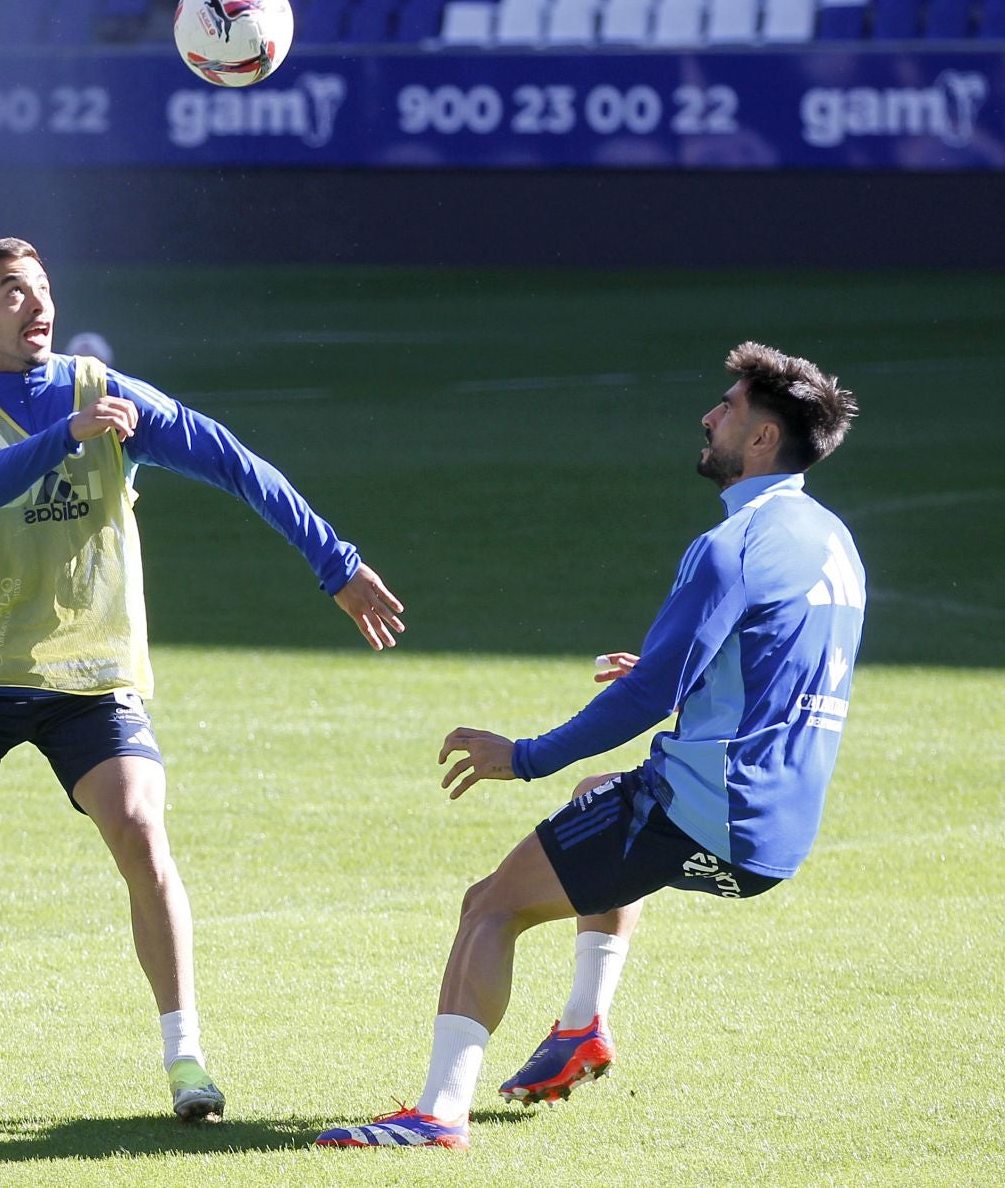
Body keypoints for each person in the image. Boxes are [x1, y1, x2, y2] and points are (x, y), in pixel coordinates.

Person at [0, 237, 405, 1124]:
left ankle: (188, 1062)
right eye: (13, 291)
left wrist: (339, 563)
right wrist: (68, 436)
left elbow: (234, 461)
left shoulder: (110, 396)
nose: (37, 304)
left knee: (142, 831)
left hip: (91, 680)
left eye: (45, 289)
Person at [318, 342, 863, 1150]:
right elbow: (781, 658)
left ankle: (438, 1113)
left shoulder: (730, 547)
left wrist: (527, 753)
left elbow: (649, 699)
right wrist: (679, 670)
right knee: (605, 800)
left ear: (761, 441)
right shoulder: (833, 541)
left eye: (729, 408)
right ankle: (581, 1026)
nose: (709, 417)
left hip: (705, 810)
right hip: (777, 833)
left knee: (490, 905)